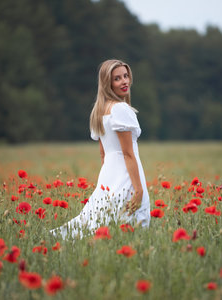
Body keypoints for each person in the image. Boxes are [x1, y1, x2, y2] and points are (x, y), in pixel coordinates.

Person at [50, 59, 151, 239]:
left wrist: (110, 179)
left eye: (126, 76)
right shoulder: (120, 109)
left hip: (109, 173)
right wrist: (138, 190)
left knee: (98, 221)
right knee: (129, 227)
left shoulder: (99, 110)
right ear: (107, 83)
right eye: (117, 78)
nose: (124, 81)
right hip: (126, 175)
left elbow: (103, 154)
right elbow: (128, 154)